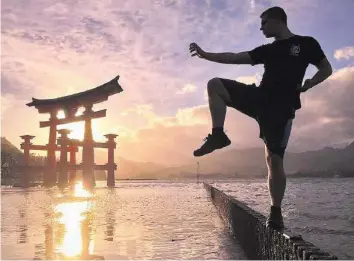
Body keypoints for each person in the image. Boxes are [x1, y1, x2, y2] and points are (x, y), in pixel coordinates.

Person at [189, 6, 332, 230]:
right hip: (259, 98)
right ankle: (218, 135)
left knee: (274, 160)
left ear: (277, 21)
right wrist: (206, 55)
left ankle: (276, 212)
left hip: (281, 108)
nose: (261, 27)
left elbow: (326, 68)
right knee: (215, 84)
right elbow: (235, 58)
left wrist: (311, 82)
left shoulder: (307, 43)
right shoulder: (268, 50)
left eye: (264, 22)